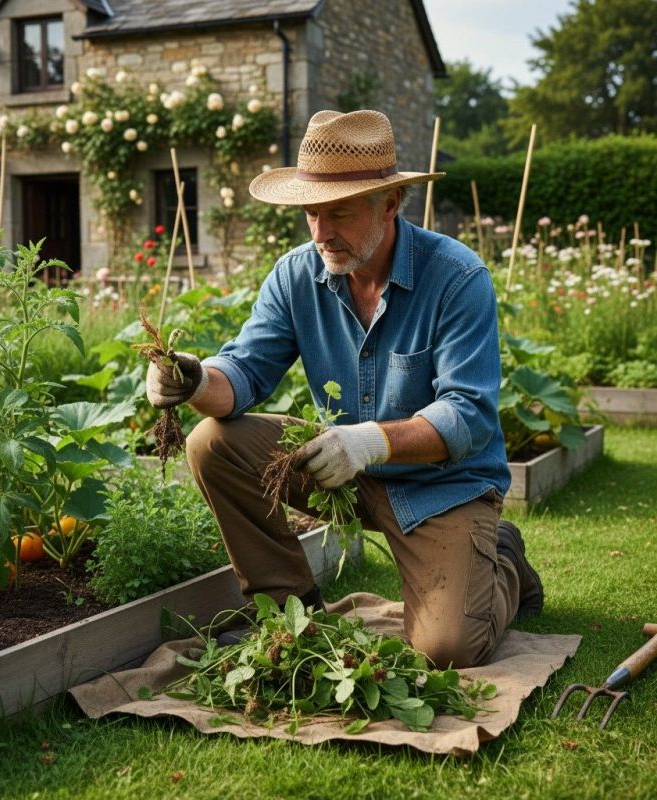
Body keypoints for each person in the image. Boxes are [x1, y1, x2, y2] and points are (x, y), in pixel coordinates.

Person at [146, 109, 543, 668]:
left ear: (390, 204)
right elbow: (242, 375)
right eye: (311, 213)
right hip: (338, 472)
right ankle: (292, 614)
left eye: (340, 212)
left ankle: (501, 558)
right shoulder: (295, 275)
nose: (322, 232)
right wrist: (192, 379)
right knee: (211, 442)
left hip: (442, 488)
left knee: (447, 649)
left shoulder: (456, 276)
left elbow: (470, 414)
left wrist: (370, 442)